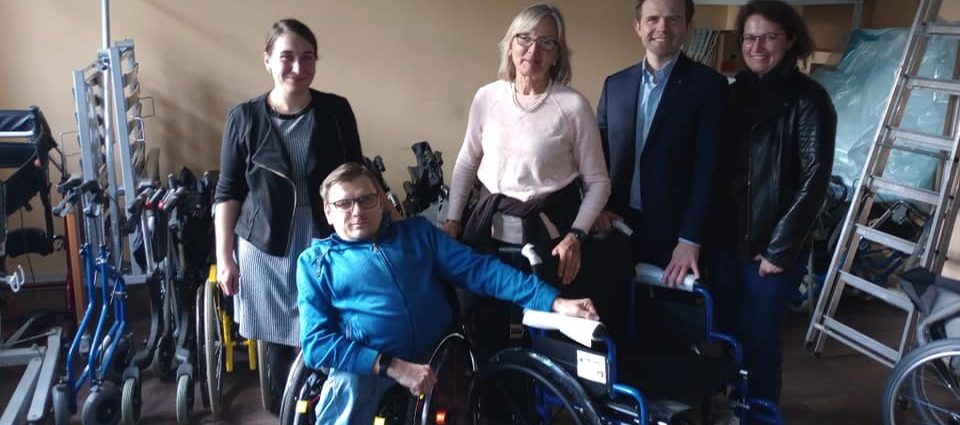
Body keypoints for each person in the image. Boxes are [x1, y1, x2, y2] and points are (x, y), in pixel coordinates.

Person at [297, 162, 599, 424]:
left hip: (436, 355)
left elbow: (481, 270)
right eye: (344, 203)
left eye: (366, 199)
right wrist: (392, 366)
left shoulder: (417, 233)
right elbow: (316, 343)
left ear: (380, 201)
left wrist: (554, 301)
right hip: (370, 366)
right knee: (349, 383)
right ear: (327, 211)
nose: (357, 211)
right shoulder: (316, 263)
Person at [441, 2, 610, 357]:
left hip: (550, 243)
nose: (533, 50)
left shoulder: (573, 106)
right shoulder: (487, 97)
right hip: (489, 238)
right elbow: (467, 162)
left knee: (545, 339)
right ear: (510, 45)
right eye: (525, 39)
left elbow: (598, 182)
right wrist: (453, 220)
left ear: (557, 55)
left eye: (546, 42)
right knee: (486, 334)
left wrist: (576, 236)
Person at [213, 18, 363, 410]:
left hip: (323, 240)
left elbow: (357, 175)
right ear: (267, 60)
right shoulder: (244, 118)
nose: (298, 67)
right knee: (278, 341)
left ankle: (323, 408)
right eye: (287, 57)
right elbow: (228, 193)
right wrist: (224, 258)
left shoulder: (335, 111)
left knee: (327, 327)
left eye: (308, 57)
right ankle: (285, 410)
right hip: (264, 247)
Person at [710, 0, 836, 405]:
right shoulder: (732, 94)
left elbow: (814, 182)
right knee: (725, 329)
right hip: (727, 240)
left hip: (772, 246)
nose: (757, 47)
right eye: (749, 38)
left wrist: (780, 248)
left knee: (760, 339)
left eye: (769, 37)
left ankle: (760, 412)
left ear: (791, 39)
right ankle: (734, 405)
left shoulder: (809, 100)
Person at [595, 0, 729, 286]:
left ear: (689, 28)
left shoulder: (709, 86)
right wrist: (598, 208)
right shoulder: (615, 85)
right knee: (614, 304)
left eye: (673, 20)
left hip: (675, 237)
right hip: (616, 225)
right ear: (638, 26)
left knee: (663, 311)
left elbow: (710, 169)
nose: (662, 27)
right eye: (653, 19)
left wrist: (690, 238)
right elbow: (598, 156)